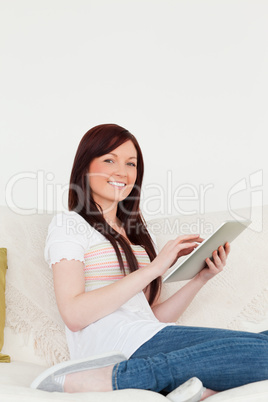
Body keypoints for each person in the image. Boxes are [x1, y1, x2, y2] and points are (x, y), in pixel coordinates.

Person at [31, 124, 268, 401]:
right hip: (113, 348)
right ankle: (118, 377)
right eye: (109, 160)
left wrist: (200, 278)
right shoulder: (69, 224)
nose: (123, 172)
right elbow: (73, 315)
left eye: (131, 164)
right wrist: (156, 267)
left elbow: (147, 318)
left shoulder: (135, 232)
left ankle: (179, 383)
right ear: (85, 167)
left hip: (147, 337)